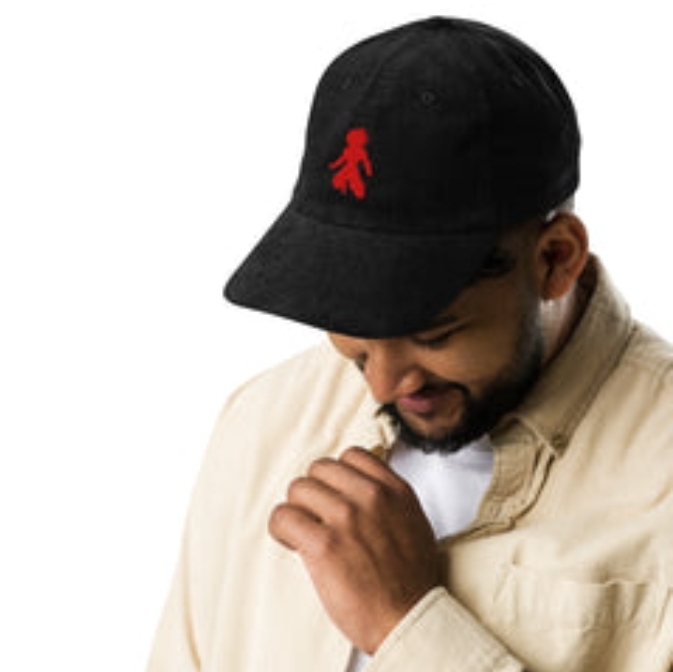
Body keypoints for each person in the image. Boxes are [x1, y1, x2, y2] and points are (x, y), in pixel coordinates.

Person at [146, 17, 673, 672]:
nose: (382, 385)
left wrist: (408, 627)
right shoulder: (260, 422)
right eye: (355, 333)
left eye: (432, 333)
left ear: (554, 259)